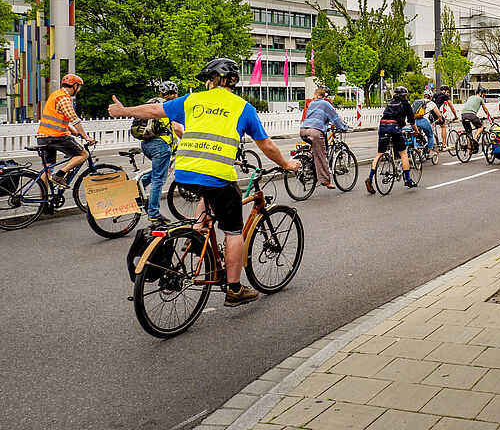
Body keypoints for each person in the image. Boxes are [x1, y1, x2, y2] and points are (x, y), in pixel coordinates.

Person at [109, 58, 300, 307]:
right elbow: (267, 145)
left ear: (213, 81)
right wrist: (286, 164)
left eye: (207, 79)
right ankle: (234, 289)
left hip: (185, 173)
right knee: (232, 231)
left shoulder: (192, 101)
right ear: (231, 81)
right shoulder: (243, 107)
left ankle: (197, 237)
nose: (206, 83)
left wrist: (124, 111)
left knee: (206, 200)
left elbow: (154, 111)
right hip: (218, 176)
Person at [36, 74, 97, 189]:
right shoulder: (63, 97)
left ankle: (43, 202)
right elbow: (74, 118)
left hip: (43, 136)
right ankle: (59, 175)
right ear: (75, 85)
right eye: (79, 87)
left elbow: (56, 117)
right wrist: (86, 137)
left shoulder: (55, 95)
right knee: (84, 154)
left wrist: (72, 130)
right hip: (56, 137)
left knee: (47, 169)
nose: (79, 90)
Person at [139, 81, 184, 226]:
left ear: (161, 94)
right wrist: (187, 140)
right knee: (159, 179)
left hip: (146, 144)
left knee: (157, 173)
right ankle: (153, 213)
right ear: (175, 94)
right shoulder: (170, 107)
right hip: (160, 146)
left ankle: (135, 189)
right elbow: (176, 128)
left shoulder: (154, 104)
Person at [365, 86, 419, 193]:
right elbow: (411, 121)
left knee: (380, 153)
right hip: (394, 127)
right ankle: (407, 179)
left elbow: (389, 116)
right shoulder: (406, 104)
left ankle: (370, 178)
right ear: (405, 95)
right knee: (403, 153)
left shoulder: (390, 103)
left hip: (383, 125)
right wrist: (416, 131)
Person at [299, 87, 349, 189]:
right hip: (315, 132)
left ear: (316, 95)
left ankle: (311, 167)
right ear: (323, 96)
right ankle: (325, 181)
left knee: (315, 151)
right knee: (322, 156)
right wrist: (344, 127)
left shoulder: (312, 104)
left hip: (303, 130)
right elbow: (335, 118)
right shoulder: (326, 104)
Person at [461, 87, 492, 152]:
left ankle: (470, 151)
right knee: (481, 127)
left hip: (463, 115)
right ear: (480, 93)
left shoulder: (470, 97)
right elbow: (485, 109)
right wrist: (489, 116)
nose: (484, 96)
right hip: (471, 115)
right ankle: (475, 138)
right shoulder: (480, 99)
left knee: (468, 133)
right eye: (484, 95)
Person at [432, 85, 458, 150]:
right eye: (448, 92)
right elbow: (451, 107)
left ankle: (434, 143)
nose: (448, 94)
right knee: (443, 127)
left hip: (431, 113)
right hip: (437, 113)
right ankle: (444, 145)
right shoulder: (445, 96)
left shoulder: (435, 95)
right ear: (445, 91)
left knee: (432, 128)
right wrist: (455, 116)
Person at [412, 92, 437, 157]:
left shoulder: (418, 102)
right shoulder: (431, 103)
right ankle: (430, 151)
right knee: (430, 135)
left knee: (416, 135)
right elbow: (438, 114)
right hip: (424, 121)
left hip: (415, 121)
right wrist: (440, 119)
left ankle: (416, 150)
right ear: (431, 97)